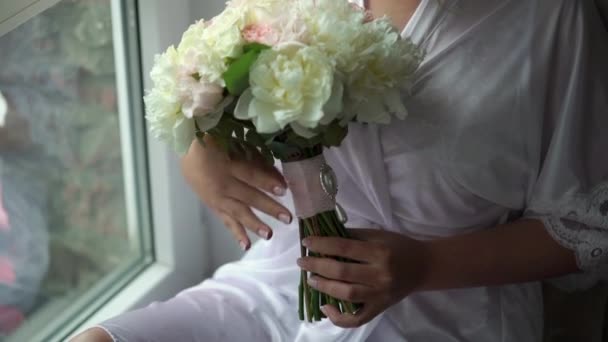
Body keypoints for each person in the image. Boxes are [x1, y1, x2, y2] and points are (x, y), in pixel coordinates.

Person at [74, 0, 608, 341]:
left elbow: (585, 227)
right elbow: (216, 80)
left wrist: (422, 266)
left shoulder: (553, 19)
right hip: (277, 288)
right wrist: (200, 146)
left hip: (455, 315)